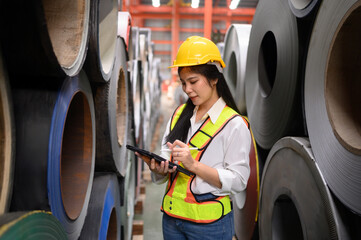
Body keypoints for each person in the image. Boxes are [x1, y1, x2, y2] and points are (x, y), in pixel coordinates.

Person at [136, 36, 251, 240]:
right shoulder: (179, 114)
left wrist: (194, 165)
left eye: (193, 81)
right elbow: (166, 158)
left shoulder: (234, 124)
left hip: (210, 226)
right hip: (172, 220)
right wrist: (158, 169)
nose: (187, 89)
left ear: (214, 79)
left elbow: (239, 180)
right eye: (183, 83)